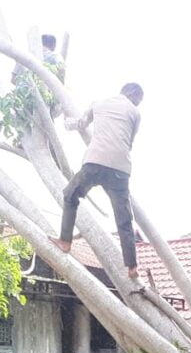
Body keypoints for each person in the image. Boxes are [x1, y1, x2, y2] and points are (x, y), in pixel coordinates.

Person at [52, 83, 144, 279]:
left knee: (70, 195)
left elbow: (80, 124)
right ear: (133, 94)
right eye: (138, 99)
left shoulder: (99, 104)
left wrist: (67, 123)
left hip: (95, 163)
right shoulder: (135, 113)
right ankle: (132, 267)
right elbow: (129, 143)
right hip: (120, 170)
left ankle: (65, 241)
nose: (137, 103)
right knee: (124, 219)